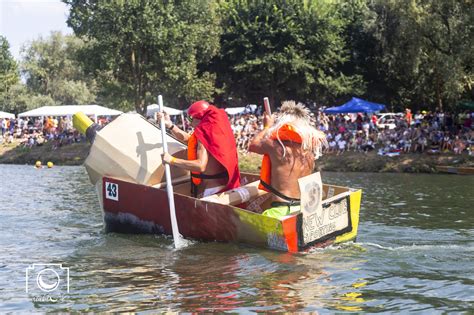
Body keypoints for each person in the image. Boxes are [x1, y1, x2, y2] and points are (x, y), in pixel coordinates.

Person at [248, 101, 327, 219]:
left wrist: (267, 126)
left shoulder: (276, 146)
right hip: (303, 210)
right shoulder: (309, 150)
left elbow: (252, 145)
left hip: (281, 211)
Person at [159, 100, 241, 198]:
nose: (189, 123)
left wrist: (172, 160)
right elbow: (190, 141)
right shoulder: (215, 130)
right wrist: (170, 125)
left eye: (191, 119)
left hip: (213, 190)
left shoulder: (204, 135)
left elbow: (200, 166)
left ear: (199, 118)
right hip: (225, 186)